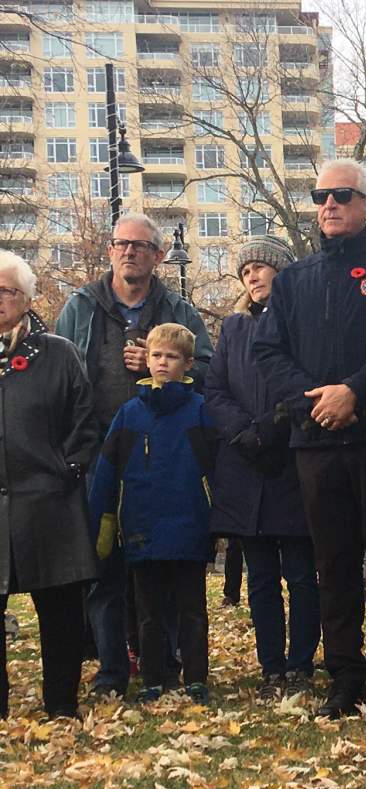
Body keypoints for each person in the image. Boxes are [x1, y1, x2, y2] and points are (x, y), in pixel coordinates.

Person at [253, 158, 366, 719]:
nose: (328, 203)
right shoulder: (293, 280)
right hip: (317, 442)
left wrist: (354, 391)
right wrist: (320, 400)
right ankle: (344, 675)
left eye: (342, 194)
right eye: (320, 195)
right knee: (332, 561)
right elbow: (267, 352)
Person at [56, 213, 214, 700]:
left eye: (141, 246)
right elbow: (61, 375)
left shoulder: (179, 309)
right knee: (105, 573)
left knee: (160, 574)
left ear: (158, 256)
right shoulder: (81, 306)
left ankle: (163, 668)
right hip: (100, 455)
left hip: (163, 465)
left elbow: (208, 367)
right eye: (121, 243)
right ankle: (110, 672)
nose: (129, 252)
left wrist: (160, 359)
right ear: (109, 251)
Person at [206, 235, 322, 701]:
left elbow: (309, 384)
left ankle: (301, 665)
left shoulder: (304, 322)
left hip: (291, 460)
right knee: (260, 578)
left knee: (300, 573)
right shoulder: (233, 330)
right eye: (245, 270)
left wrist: (273, 427)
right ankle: (270, 666)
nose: (252, 275)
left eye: (260, 266)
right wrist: (243, 431)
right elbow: (215, 389)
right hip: (244, 465)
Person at [90, 323, 218, 705]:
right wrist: (104, 518)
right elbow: (106, 470)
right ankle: (153, 677)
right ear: (146, 360)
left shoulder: (201, 411)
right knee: (147, 611)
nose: (163, 363)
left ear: (188, 363)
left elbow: (218, 466)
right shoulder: (129, 414)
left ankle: (195, 676)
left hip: (190, 523)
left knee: (192, 609)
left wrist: (221, 515)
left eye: (172, 356)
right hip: (141, 524)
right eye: (157, 355)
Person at [0, 250, 99, 719]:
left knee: (60, 612)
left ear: (26, 298)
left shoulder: (58, 352)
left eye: (6, 291)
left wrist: (68, 469)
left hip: (49, 500)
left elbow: (84, 422)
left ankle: (61, 705)